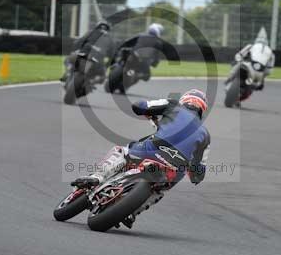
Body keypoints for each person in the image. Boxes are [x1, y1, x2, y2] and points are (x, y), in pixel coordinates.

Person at [71, 88, 210, 227]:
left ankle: (97, 177)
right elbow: (198, 174)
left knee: (121, 152)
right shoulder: (205, 135)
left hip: (152, 149)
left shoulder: (173, 105)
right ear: (201, 110)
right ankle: (134, 212)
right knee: (161, 189)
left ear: (184, 101)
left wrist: (146, 112)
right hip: (174, 168)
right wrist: (193, 172)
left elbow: (139, 105)